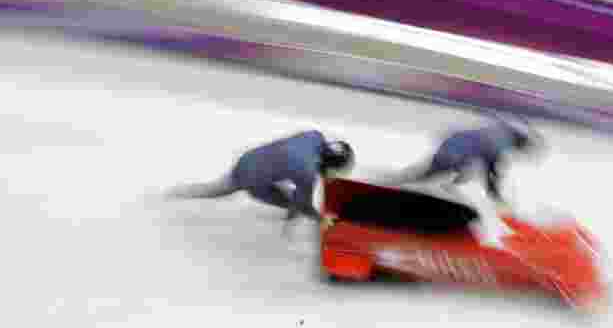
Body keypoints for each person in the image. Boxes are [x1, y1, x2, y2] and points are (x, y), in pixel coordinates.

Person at [167, 130, 355, 229]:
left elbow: (294, 158)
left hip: (250, 158)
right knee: (217, 190)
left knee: (293, 194)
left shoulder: (314, 135)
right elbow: (305, 205)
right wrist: (322, 220)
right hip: (251, 179)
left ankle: (178, 192)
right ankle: (178, 194)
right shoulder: (307, 172)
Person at [382, 114, 545, 207]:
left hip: (456, 146)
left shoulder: (505, 135)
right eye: (525, 149)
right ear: (522, 141)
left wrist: (494, 193)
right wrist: (496, 197)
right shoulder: (502, 139)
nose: (522, 153)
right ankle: (395, 183)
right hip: (455, 150)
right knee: (434, 174)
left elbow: (491, 170)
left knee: (436, 174)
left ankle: (397, 181)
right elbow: (491, 172)